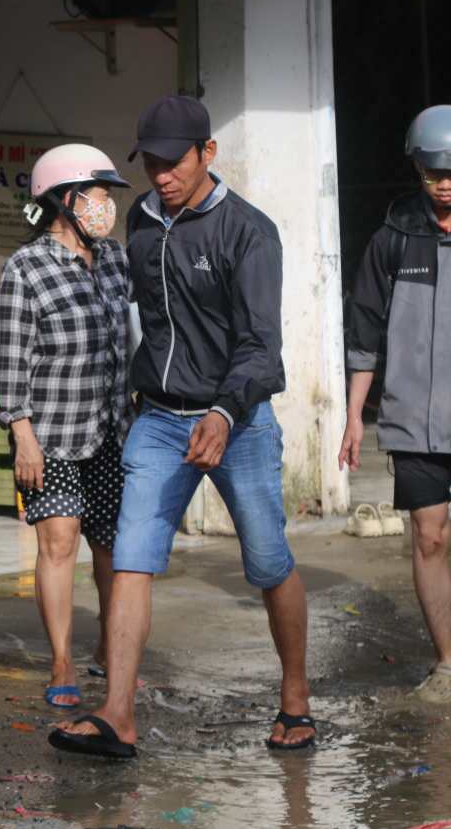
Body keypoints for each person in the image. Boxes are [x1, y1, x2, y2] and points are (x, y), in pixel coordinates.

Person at [50, 95, 314, 758]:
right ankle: (118, 712)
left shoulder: (247, 232)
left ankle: (295, 700)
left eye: (175, 161)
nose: (162, 174)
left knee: (267, 559)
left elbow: (261, 346)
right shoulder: (138, 220)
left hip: (240, 421)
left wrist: (225, 411)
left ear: (208, 154)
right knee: (132, 558)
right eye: (153, 162)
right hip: (159, 420)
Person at [0, 144, 132, 710]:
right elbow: (9, 358)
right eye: (98, 195)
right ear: (65, 200)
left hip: (111, 428)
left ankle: (108, 648)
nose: (106, 207)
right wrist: (21, 432)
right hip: (49, 434)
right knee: (58, 542)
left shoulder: (116, 260)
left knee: (110, 547)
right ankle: (61, 661)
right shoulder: (25, 268)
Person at [341, 105, 451, 701]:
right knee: (429, 538)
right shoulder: (394, 238)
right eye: (434, 172)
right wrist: (355, 416)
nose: (446, 182)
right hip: (413, 422)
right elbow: (365, 330)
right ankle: (448, 662)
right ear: (417, 169)